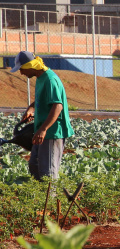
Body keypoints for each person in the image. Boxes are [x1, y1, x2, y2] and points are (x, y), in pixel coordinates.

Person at [11, 51, 74, 180]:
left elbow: (58, 106)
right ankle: (42, 196)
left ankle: (49, 199)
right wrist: (31, 109)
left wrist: (43, 129)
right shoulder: (41, 78)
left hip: (51, 132)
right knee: (34, 165)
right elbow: (42, 99)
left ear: (30, 66)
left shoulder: (50, 79)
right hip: (42, 132)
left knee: (48, 172)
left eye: (22, 69)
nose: (21, 73)